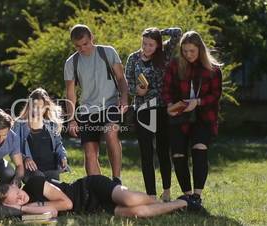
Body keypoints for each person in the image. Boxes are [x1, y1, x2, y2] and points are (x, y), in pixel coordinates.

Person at [162, 31, 222, 205]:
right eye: (185, 51)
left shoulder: (213, 70)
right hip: (179, 116)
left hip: (203, 116)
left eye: (192, 51)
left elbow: (216, 94)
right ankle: (188, 196)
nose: (188, 54)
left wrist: (199, 101)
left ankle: (197, 195)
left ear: (200, 50)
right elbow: (166, 90)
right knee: (178, 155)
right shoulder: (174, 65)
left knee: (199, 150)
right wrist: (170, 105)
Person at [64, 24, 129, 184]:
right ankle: (98, 188)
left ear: (91, 37)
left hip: (110, 105)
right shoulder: (71, 62)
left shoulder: (107, 52)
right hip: (87, 110)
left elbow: (121, 78)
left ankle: (116, 180)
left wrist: (125, 97)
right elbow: (70, 93)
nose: (82, 48)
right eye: (78, 46)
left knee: (110, 132)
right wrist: (71, 119)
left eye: (85, 44)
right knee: (90, 153)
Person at [125, 27, 182, 201]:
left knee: (164, 151)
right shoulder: (133, 58)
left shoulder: (164, 54)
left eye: (151, 44)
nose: (146, 47)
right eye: (144, 43)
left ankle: (166, 191)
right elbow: (128, 84)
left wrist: (159, 32)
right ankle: (151, 195)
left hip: (162, 109)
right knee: (146, 153)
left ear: (158, 45)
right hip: (142, 110)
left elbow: (177, 33)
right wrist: (137, 91)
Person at [0, 175, 202, 219]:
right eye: (13, 202)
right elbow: (51, 212)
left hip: (92, 187)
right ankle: (183, 203)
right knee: (138, 213)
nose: (19, 199)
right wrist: (21, 210)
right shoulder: (24, 208)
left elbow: (66, 203)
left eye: (17, 193)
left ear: (16, 185)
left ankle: (179, 200)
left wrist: (25, 208)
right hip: (93, 208)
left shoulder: (34, 182)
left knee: (130, 200)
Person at [12, 88, 69, 182]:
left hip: (51, 169)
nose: (36, 110)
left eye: (40, 107)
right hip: (32, 170)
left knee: (55, 192)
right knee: (40, 184)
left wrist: (62, 156)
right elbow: (14, 148)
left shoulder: (51, 123)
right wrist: (25, 158)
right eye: (34, 106)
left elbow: (59, 144)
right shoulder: (19, 124)